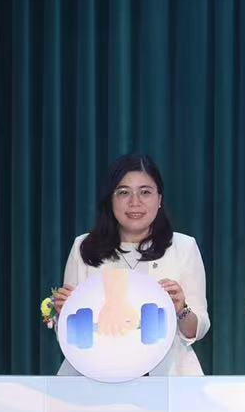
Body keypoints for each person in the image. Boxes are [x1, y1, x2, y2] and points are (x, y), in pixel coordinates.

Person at [51, 152, 209, 376]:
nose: (135, 202)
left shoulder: (183, 247)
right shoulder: (83, 246)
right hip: (95, 375)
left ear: (159, 199)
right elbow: (69, 336)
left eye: (145, 192)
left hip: (166, 376)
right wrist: (65, 313)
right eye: (124, 192)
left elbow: (197, 329)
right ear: (111, 200)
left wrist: (182, 309)